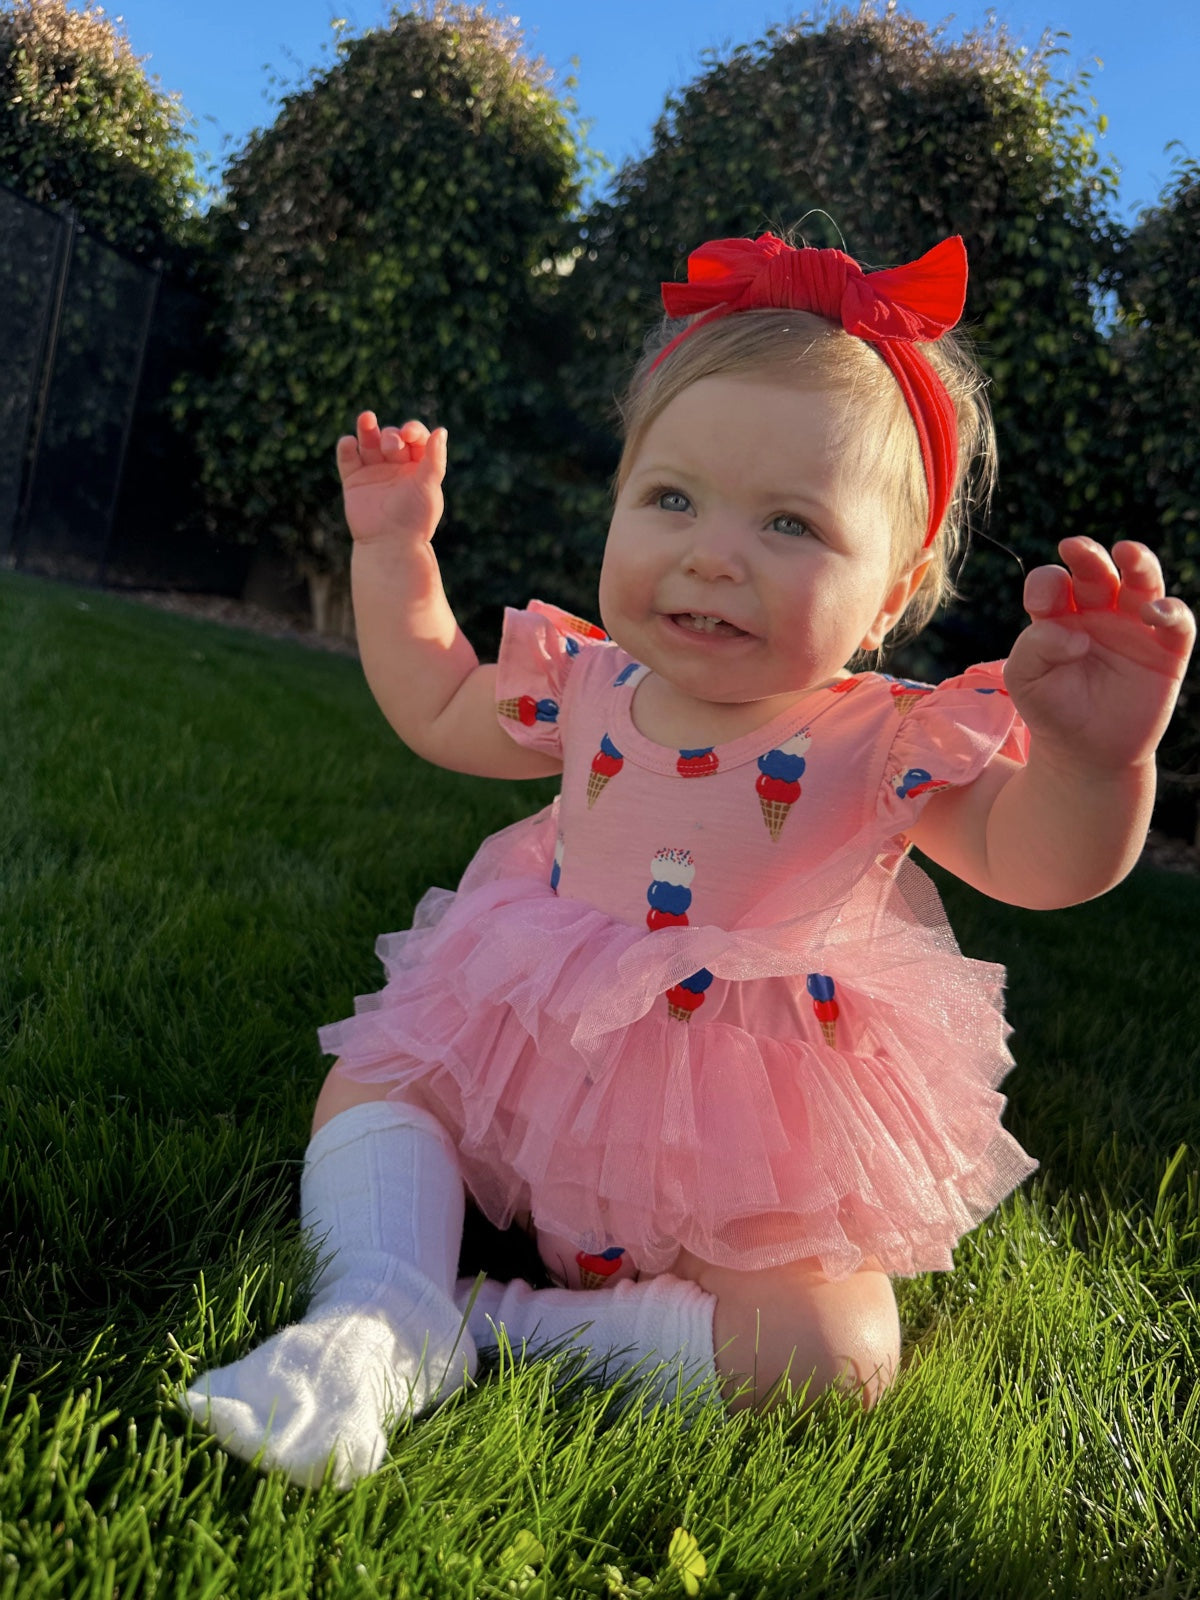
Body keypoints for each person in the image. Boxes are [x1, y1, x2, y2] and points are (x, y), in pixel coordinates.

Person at [182, 232, 1195, 1489]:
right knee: (381, 1089)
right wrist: (396, 555)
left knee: (836, 1353)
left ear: (895, 590)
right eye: (672, 498)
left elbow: (1039, 861)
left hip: (747, 1119)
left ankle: (491, 1327)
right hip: (533, 1039)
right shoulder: (592, 682)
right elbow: (440, 705)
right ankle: (379, 1299)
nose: (713, 552)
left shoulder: (884, 737)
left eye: (790, 522)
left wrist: (1096, 767)